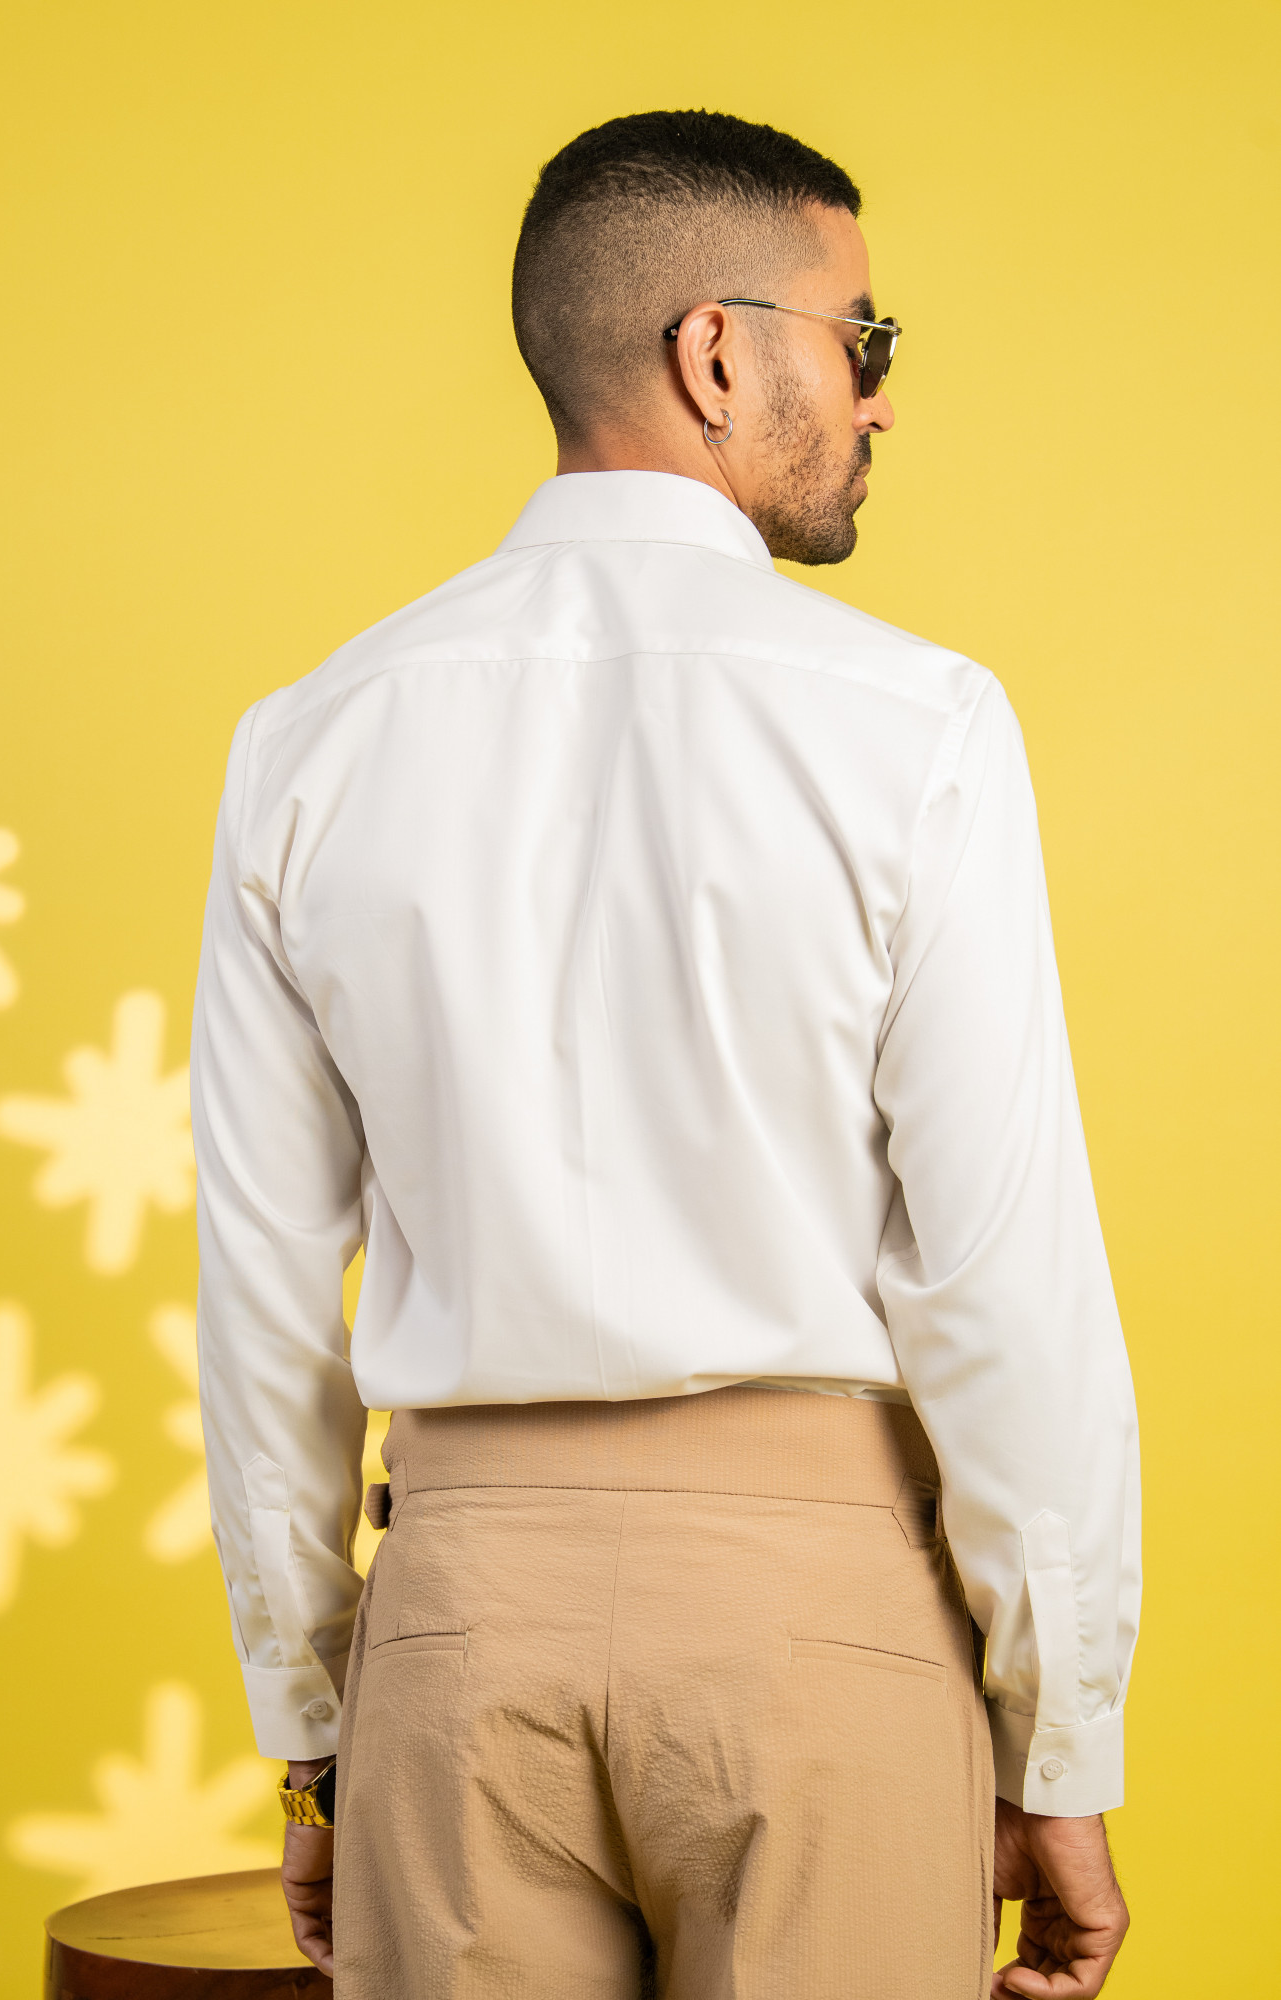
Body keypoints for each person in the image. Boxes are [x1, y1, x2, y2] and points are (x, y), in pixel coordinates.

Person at [191, 110, 1139, 1999]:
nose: (878, 398)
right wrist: (1060, 1746)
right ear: (716, 352)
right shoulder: (917, 725)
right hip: (819, 1628)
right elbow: (997, 1278)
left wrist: (315, 1729)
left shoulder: (308, 739)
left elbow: (264, 1291)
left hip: (455, 1634)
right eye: (862, 340)